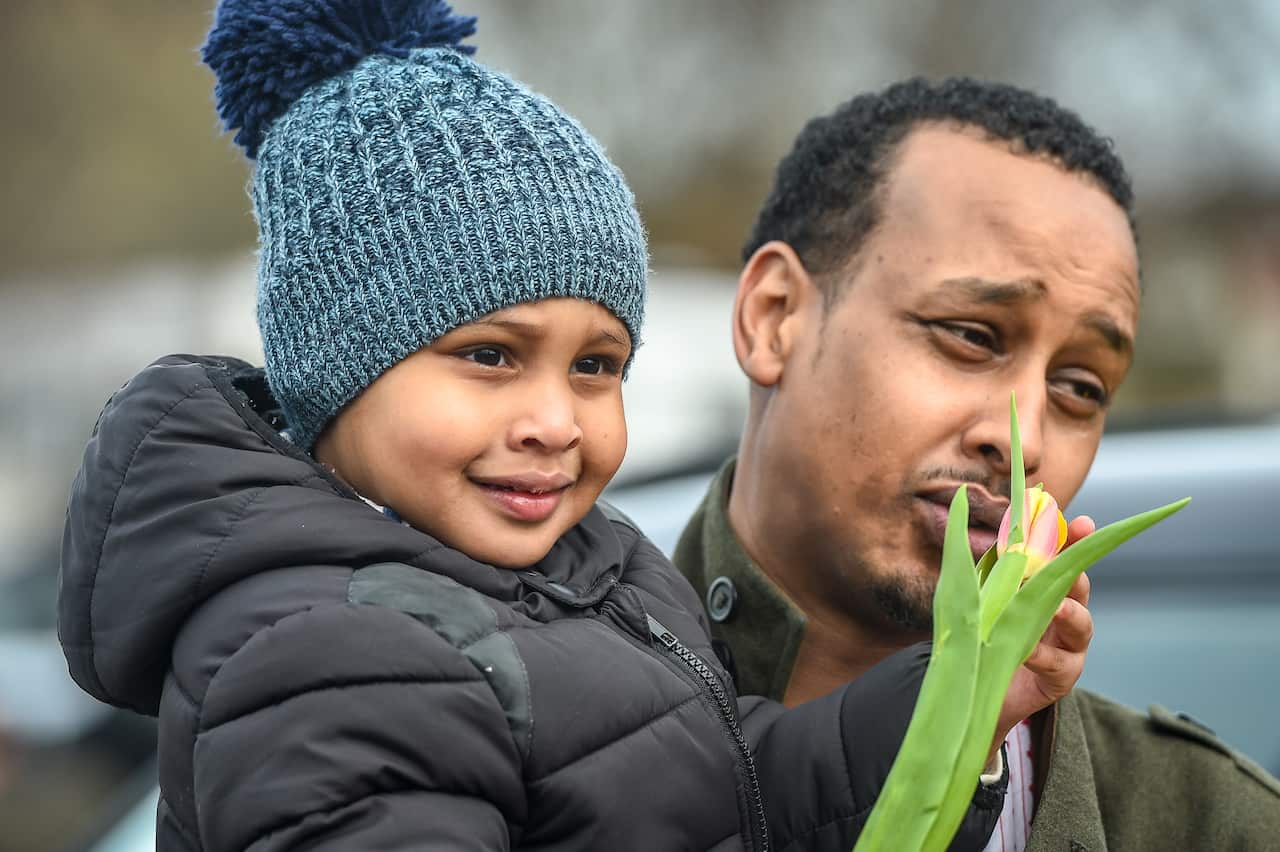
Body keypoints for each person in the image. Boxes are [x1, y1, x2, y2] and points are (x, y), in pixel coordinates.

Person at [54, 5, 1031, 851]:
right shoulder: (329, 657)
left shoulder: (584, 571)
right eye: (489, 356)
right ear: (334, 369)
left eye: (596, 366)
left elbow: (722, 794)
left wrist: (955, 698)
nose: (555, 422)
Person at [673, 76, 1280, 850]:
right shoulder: (515, 728)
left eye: (1079, 386)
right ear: (775, 318)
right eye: (971, 335)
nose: (1024, 441)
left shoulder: (1215, 827)